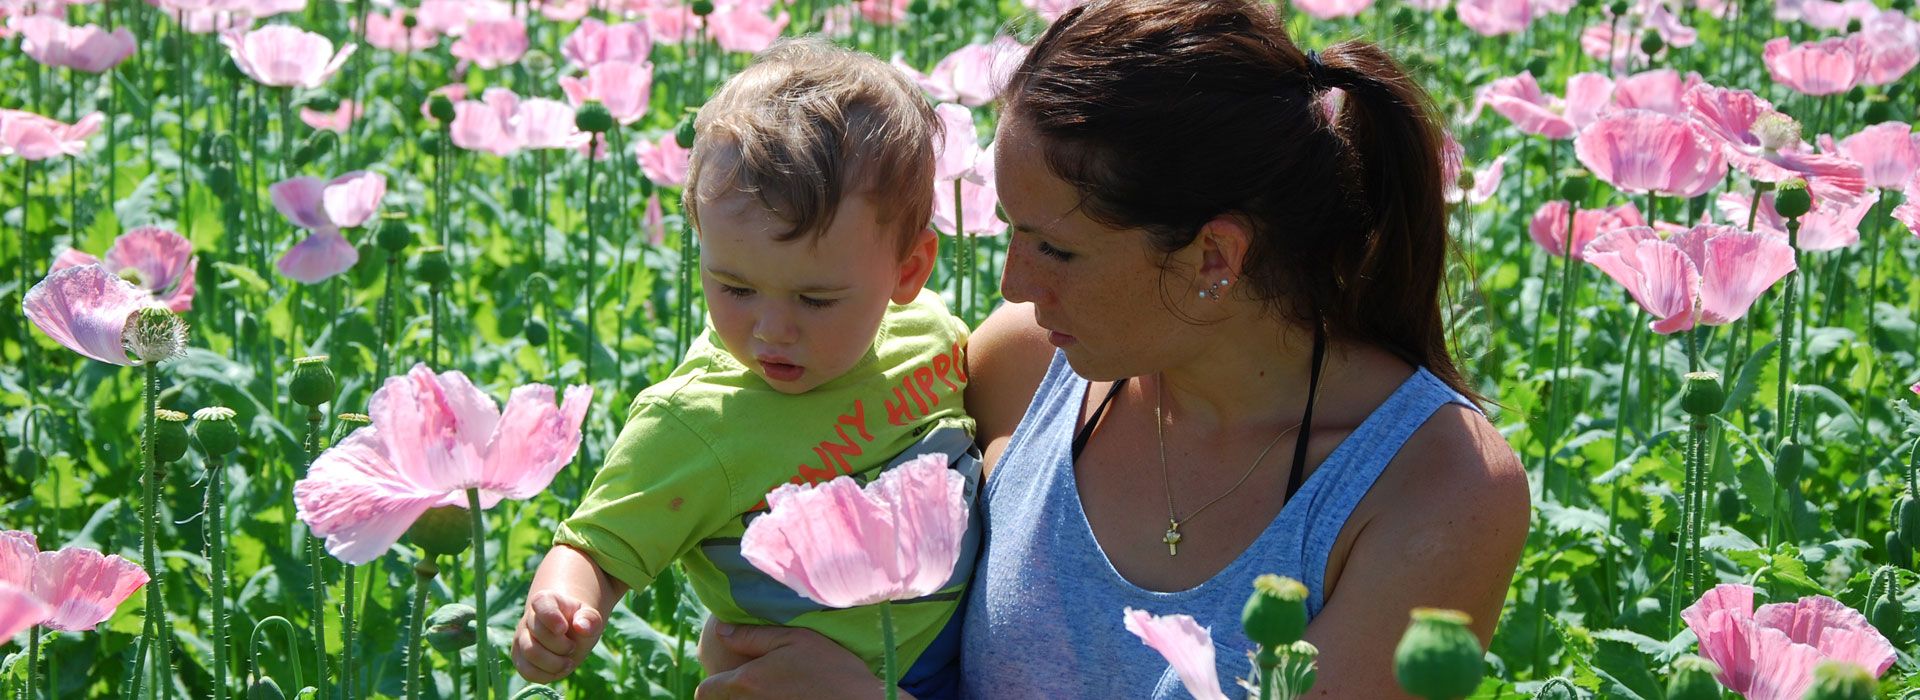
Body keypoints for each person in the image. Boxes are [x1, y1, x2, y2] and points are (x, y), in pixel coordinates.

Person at [691, 0, 1530, 697]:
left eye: (1055, 249)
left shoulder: (1433, 487)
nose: (1014, 284)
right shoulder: (1026, 364)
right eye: (1012, 233)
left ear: (1214, 256)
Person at [510, 38, 982, 700]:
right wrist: (561, 605)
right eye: (734, 287)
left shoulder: (932, 336)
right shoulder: (697, 421)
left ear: (908, 271)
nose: (771, 329)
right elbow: (597, 548)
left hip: (967, 659)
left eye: (815, 299)